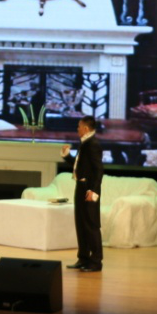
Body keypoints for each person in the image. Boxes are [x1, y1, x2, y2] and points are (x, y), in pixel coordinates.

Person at [61, 115, 103, 272]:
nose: (77, 129)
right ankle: (83, 258)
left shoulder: (93, 144)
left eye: (79, 126)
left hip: (88, 188)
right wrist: (67, 156)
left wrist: (93, 190)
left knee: (91, 225)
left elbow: (98, 170)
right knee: (81, 223)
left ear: (85, 128)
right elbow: (80, 166)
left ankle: (96, 261)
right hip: (80, 186)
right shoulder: (85, 142)